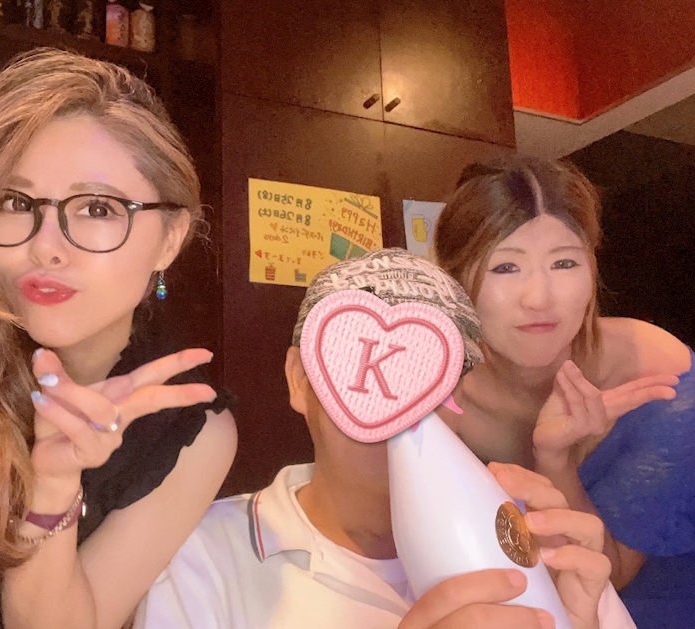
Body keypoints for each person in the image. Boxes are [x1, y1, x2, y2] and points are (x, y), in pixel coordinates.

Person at [0, 48, 237, 629]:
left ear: (170, 238)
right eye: (16, 202)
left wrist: (54, 488)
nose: (46, 247)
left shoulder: (191, 431)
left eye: (98, 208)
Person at [134, 248, 635, 629]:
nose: (400, 407)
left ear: (464, 394)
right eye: (361, 367)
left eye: (429, 373)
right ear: (300, 381)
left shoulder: (540, 545)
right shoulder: (201, 558)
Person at [432, 154, 694, 627]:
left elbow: (611, 575)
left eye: (564, 262)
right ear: (454, 281)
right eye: (505, 268)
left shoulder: (651, 370)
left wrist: (554, 460)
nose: (539, 298)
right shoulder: (439, 402)